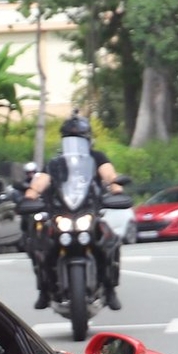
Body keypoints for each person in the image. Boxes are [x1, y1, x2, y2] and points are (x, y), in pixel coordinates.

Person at [25, 113, 123, 310]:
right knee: (40, 246)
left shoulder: (97, 157)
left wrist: (115, 186)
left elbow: (108, 173)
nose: (75, 141)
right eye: (71, 138)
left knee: (109, 241)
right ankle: (44, 290)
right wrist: (31, 194)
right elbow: (42, 179)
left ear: (87, 138)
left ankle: (110, 289)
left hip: (88, 211)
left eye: (78, 137)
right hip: (61, 212)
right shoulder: (56, 163)